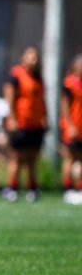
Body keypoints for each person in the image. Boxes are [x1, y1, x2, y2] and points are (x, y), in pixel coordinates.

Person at [2, 46, 47, 203]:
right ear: (23, 58)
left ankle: (32, 188)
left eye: (35, 57)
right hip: (20, 122)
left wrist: (44, 117)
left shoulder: (38, 78)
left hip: (35, 124)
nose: (33, 60)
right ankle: (12, 188)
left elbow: (41, 100)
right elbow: (10, 97)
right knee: (17, 158)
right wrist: (13, 118)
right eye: (30, 56)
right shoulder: (16, 75)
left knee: (32, 159)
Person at [60, 54, 82, 204]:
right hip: (72, 127)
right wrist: (70, 125)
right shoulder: (69, 83)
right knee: (70, 158)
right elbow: (65, 107)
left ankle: (79, 188)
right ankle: (67, 189)